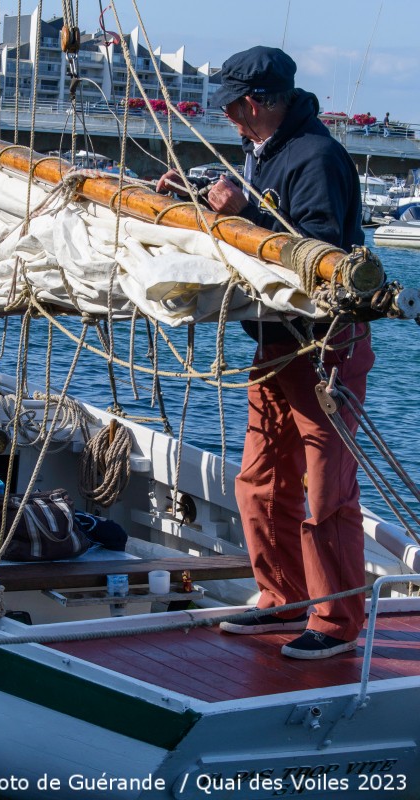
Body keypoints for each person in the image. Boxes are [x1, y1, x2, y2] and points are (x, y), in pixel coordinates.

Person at [157, 46, 374, 660]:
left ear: (256, 102)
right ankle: (282, 598)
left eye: (230, 104)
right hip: (275, 348)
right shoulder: (266, 153)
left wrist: (246, 209)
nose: (224, 114)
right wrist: (205, 201)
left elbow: (320, 254)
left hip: (324, 349)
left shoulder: (317, 157)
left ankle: (335, 623)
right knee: (259, 482)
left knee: (326, 494)